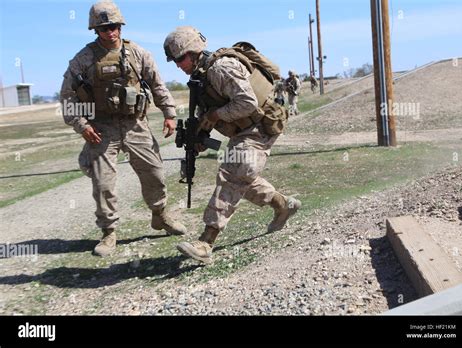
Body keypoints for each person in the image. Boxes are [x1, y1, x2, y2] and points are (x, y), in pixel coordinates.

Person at [163, 26, 301, 264]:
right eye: (174, 61)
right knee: (243, 178)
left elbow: (247, 103)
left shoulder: (220, 68)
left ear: (194, 51)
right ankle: (283, 204)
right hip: (244, 129)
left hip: (261, 124)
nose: (178, 65)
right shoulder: (200, 77)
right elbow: (206, 113)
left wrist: (216, 115)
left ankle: (206, 242)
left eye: (180, 58)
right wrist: (198, 138)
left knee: (232, 173)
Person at [60, 1, 186, 257]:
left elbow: (157, 85)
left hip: (135, 124)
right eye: (104, 28)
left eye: (114, 26)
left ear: (121, 26)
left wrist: (169, 113)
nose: (110, 32)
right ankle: (109, 232)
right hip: (101, 128)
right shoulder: (83, 59)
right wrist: (81, 124)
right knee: (103, 183)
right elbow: (67, 96)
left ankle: (160, 215)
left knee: (155, 173)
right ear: (95, 29)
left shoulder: (138, 53)